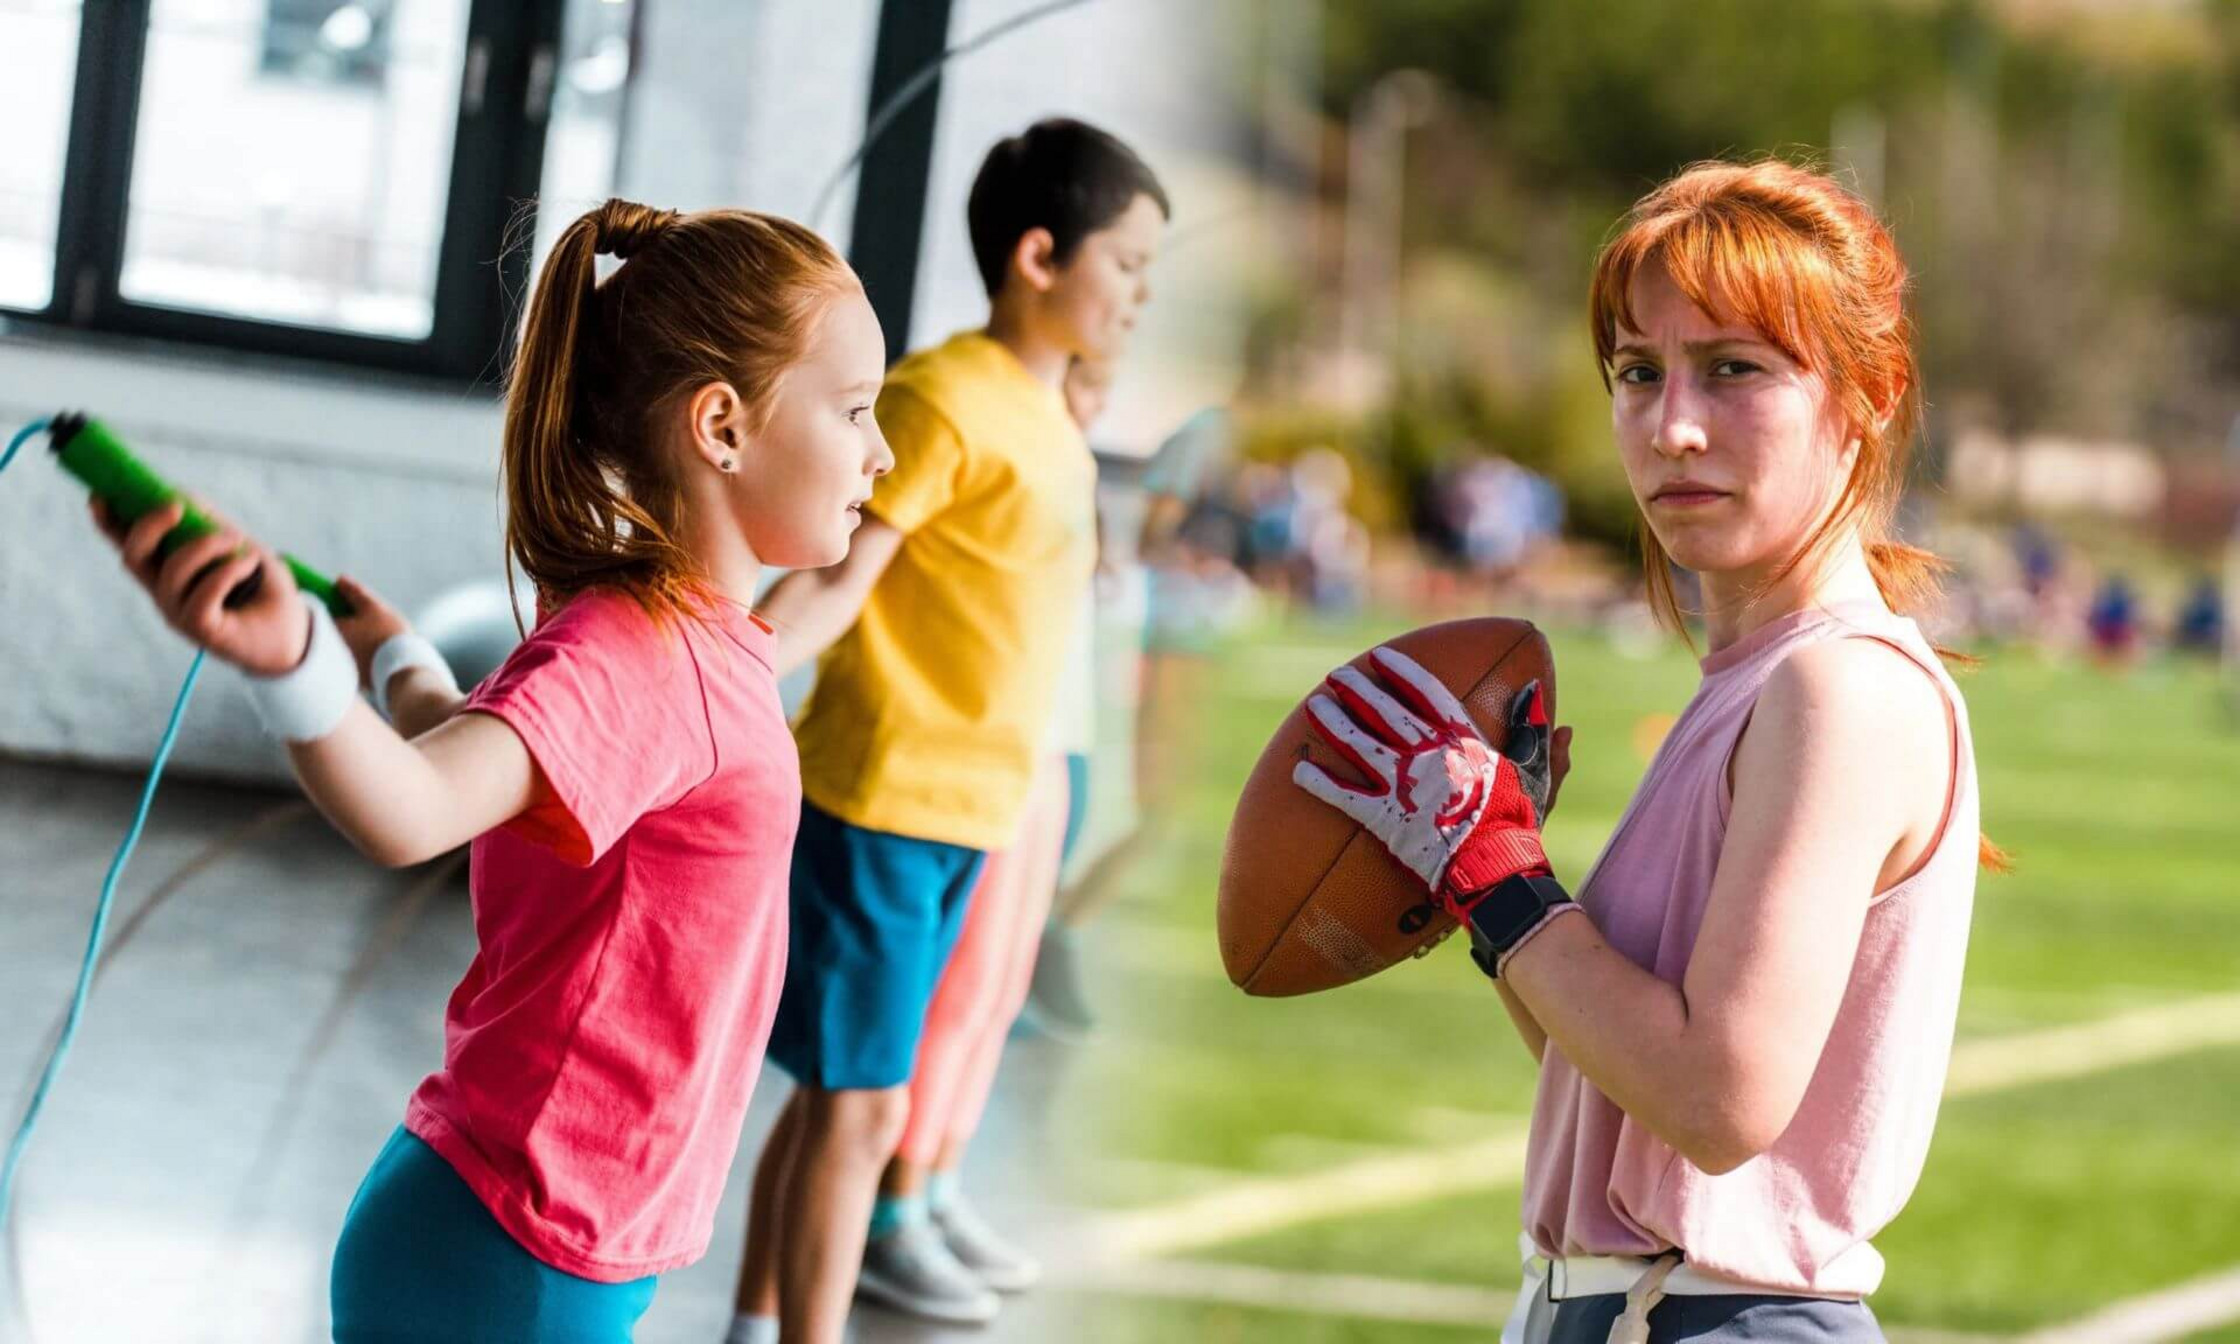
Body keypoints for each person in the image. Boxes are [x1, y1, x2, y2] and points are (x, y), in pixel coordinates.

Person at [92, 199, 890, 1342]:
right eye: (856, 411)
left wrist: (396, 658)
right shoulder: (639, 650)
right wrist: (296, 666)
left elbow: (485, 755)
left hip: (537, 1243)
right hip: (512, 1259)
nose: (882, 451)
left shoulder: (676, 637)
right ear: (721, 425)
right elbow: (419, 810)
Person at [1286, 160, 1995, 1344]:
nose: (1671, 424)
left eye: (1733, 369)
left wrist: (1500, 885)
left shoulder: (1839, 688)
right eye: (1635, 371)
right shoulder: (1754, 684)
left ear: (1865, 394)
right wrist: (1494, 876)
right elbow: (1607, 1074)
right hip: (1615, 1308)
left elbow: (1718, 1102)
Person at [728, 118, 1167, 1343]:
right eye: (1125, 265)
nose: (1139, 294)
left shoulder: (1048, 420)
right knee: (857, 1112)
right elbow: (836, 576)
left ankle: (755, 1325)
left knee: (839, 1109)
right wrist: (727, 670)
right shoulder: (937, 400)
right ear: (1039, 257)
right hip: (881, 807)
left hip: (969, 815)